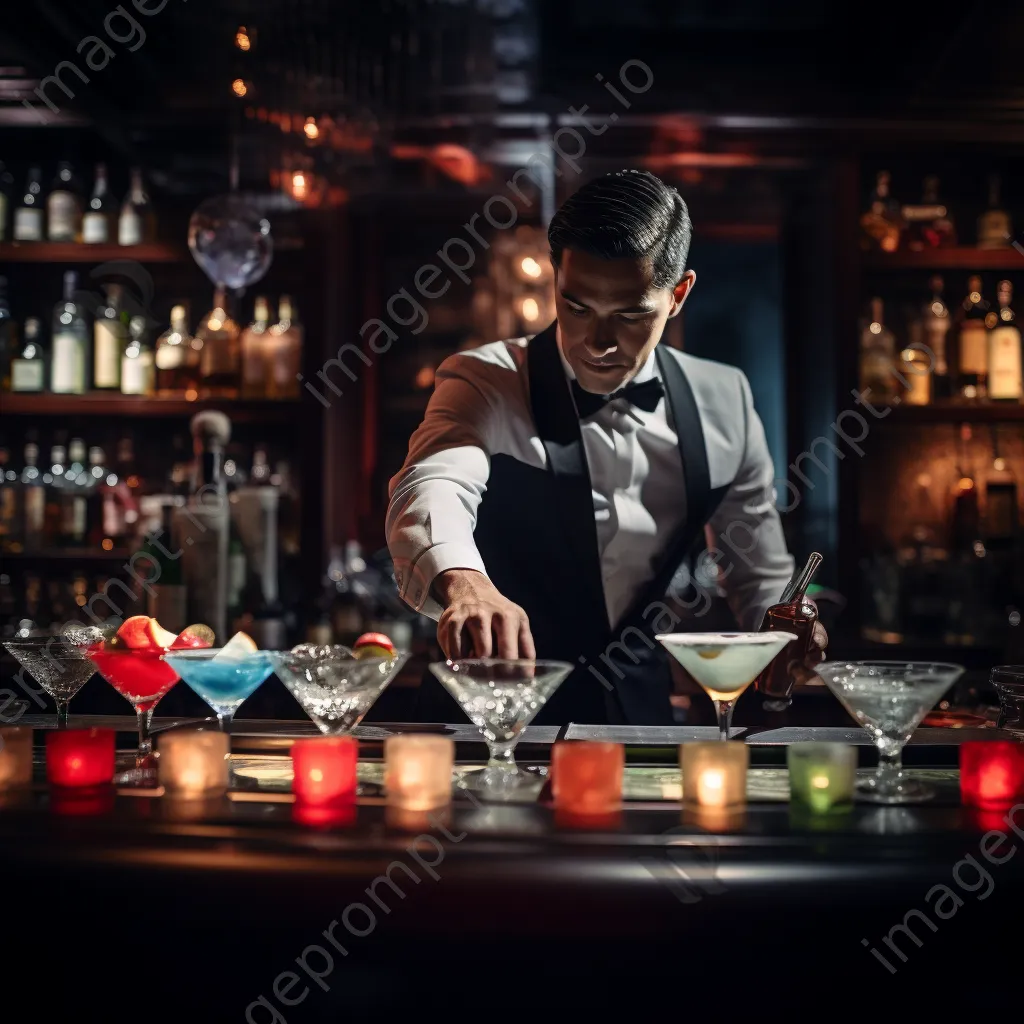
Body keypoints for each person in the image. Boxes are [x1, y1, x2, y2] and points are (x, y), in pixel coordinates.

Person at [386, 169, 826, 725]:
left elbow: (757, 576)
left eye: (630, 314)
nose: (595, 343)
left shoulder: (725, 400)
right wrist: (466, 585)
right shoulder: (486, 380)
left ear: (679, 295)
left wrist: (791, 620)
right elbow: (431, 484)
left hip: (639, 728)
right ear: (555, 279)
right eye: (576, 307)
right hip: (486, 724)